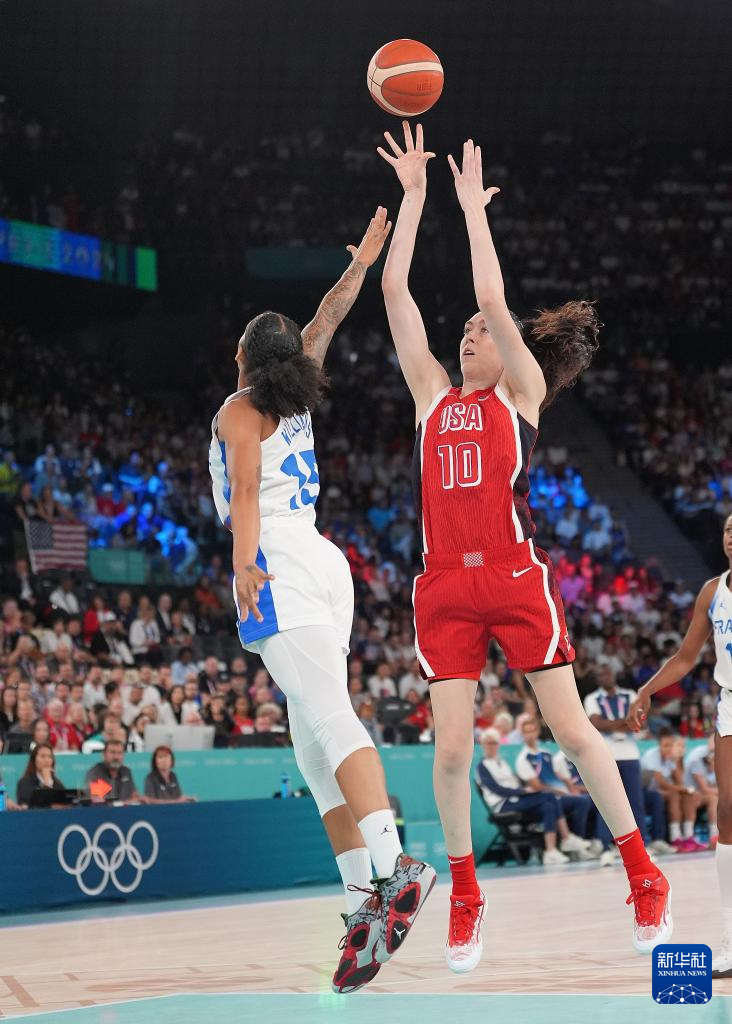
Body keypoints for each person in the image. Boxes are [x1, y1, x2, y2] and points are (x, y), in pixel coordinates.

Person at [379, 120, 671, 969]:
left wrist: (474, 211)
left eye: (480, 331)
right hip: (443, 586)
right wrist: (414, 198)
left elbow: (494, 295)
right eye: (465, 330)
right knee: (451, 749)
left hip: (513, 576)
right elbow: (396, 294)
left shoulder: (523, 396)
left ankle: (643, 873)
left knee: (572, 731)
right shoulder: (431, 397)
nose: (469, 334)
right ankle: (466, 894)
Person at [208, 209, 435, 995]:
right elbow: (329, 316)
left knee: (332, 720)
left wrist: (244, 564)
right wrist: (360, 265)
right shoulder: (296, 389)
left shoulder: (240, 406)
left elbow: (244, 489)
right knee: (311, 749)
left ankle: (397, 868)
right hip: (322, 562)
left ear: (241, 357)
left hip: (277, 559)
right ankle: (365, 902)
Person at [628, 514, 732, 975]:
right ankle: (730, 938)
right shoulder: (713, 592)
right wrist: (646, 689)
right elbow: (687, 656)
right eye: (728, 529)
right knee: (727, 810)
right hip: (730, 703)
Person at [476, 729, 590, 865]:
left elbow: (515, 783)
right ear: (483, 744)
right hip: (503, 804)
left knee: (548, 806)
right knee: (549, 795)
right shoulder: (482, 766)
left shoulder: (503, 763)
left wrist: (524, 790)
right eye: (488, 743)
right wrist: (523, 791)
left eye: (494, 743)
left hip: (516, 799)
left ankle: (550, 851)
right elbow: (497, 789)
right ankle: (566, 838)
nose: (492, 746)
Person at [85, 738, 141, 802]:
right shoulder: (95, 772)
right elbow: (97, 799)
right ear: (104, 754)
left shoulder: (126, 771)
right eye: (112, 752)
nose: (116, 757)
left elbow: (135, 796)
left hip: (125, 807)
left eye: (119, 753)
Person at [16, 743, 66, 807]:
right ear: (34, 760)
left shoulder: (57, 783)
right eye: (43, 756)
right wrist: (47, 783)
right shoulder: (24, 782)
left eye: (50, 757)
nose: (47, 760)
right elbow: (28, 805)